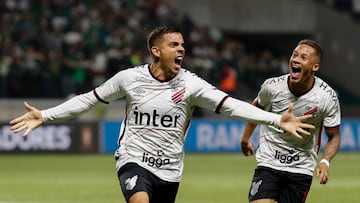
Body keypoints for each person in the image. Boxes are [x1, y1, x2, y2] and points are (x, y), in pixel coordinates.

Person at [9, 26, 314, 203]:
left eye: (182, 45)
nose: (181, 49)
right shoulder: (129, 79)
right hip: (134, 158)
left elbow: (232, 105)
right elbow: (89, 100)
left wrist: (276, 119)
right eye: (173, 44)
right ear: (156, 51)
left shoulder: (191, 84)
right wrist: (45, 116)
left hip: (171, 170)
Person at [240, 39, 341, 203]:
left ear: (315, 67)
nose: (296, 59)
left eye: (303, 57)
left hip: (301, 166)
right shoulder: (272, 87)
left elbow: (334, 136)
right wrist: (245, 138)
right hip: (269, 160)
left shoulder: (327, 97)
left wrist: (325, 162)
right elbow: (256, 108)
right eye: (295, 55)